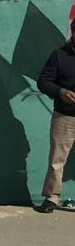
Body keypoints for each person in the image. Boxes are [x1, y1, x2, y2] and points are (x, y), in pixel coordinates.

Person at [35, 29, 75, 213]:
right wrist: (61, 92)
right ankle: (52, 198)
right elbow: (43, 81)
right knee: (57, 159)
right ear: (73, 32)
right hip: (65, 115)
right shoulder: (59, 55)